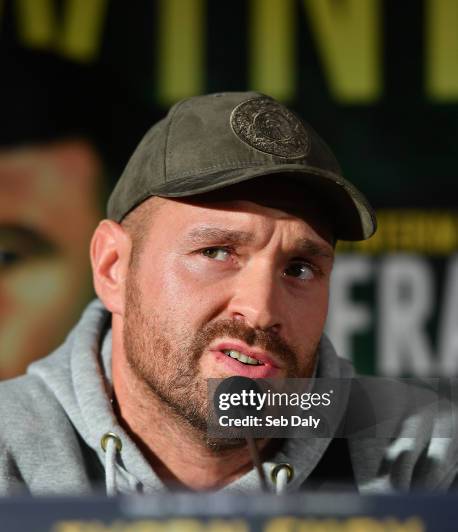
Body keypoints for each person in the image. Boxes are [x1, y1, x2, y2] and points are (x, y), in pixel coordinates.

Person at [0, 91, 456, 496]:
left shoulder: (421, 452)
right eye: (216, 252)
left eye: (299, 268)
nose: (260, 310)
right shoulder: (9, 447)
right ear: (113, 268)